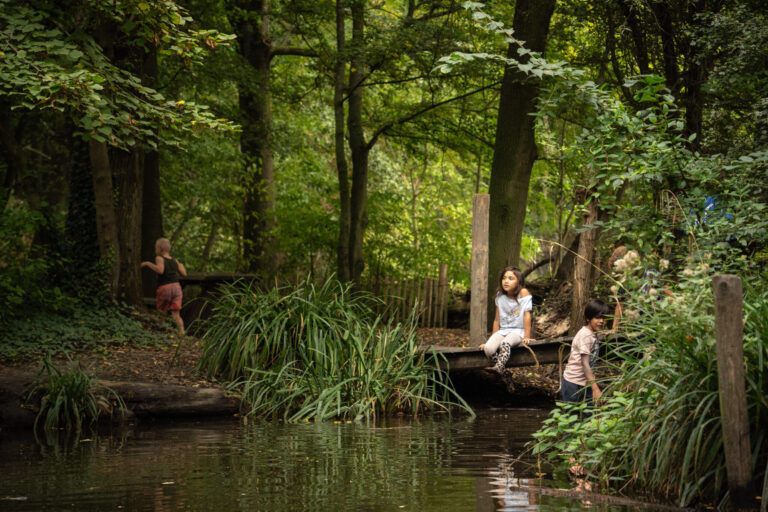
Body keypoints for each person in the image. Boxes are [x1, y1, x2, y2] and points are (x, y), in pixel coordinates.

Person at [479, 266, 534, 375]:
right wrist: (492, 339)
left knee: (505, 343)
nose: (506, 281)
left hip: (518, 332)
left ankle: (499, 368)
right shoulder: (500, 296)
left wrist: (527, 336)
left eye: (511, 278)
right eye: (504, 278)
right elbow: (497, 320)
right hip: (503, 330)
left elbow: (526, 315)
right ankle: (503, 371)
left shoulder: (523, 292)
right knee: (488, 349)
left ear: (519, 281)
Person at [561, 299, 610, 403]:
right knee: (573, 412)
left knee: (588, 412)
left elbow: (593, 338)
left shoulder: (592, 333)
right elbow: (585, 364)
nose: (601, 321)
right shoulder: (585, 335)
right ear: (588, 318)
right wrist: (595, 389)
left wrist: (602, 333)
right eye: (597, 317)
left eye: (604, 318)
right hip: (573, 383)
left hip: (585, 382)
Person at [141, 237, 187, 335]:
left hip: (165, 287)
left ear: (160, 248)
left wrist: (147, 264)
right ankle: (182, 334)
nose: (155, 250)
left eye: (155, 248)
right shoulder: (175, 260)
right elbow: (184, 274)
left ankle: (162, 332)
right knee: (176, 314)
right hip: (176, 287)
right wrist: (181, 265)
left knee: (162, 312)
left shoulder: (159, 258)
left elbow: (160, 270)